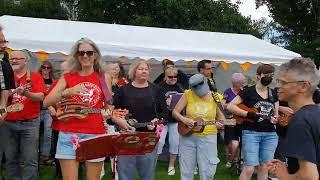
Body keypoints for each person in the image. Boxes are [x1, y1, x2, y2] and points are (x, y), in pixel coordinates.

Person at [43, 37, 130, 180]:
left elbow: (107, 108)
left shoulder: (103, 77)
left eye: (89, 53)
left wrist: (112, 114)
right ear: (76, 56)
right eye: (81, 53)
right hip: (68, 135)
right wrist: (68, 92)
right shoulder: (68, 77)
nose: (85, 56)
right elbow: (46, 103)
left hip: (95, 134)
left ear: (95, 55)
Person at [268, 58, 320, 179]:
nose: (277, 86)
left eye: (284, 82)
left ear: (304, 86)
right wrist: (289, 167)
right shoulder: (315, 113)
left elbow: (309, 177)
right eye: (278, 81)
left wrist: (283, 175)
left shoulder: (300, 120)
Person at [227, 64, 279, 180]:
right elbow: (230, 106)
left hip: (270, 134)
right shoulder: (248, 92)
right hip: (251, 133)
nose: (269, 78)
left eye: (271, 76)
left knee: (264, 166)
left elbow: (276, 113)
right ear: (258, 76)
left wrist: (275, 118)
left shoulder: (273, 93)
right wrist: (248, 114)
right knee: (249, 168)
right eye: (266, 75)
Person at [113, 60, 162, 180]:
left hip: (148, 137)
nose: (144, 71)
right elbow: (113, 113)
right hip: (127, 136)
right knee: (125, 173)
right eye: (141, 68)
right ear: (134, 71)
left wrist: (157, 120)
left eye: (146, 69)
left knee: (148, 173)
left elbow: (163, 112)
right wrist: (120, 121)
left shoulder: (156, 90)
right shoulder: (123, 90)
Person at [3, 50, 46, 180]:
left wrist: (26, 94)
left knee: (30, 159)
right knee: (11, 158)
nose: (14, 61)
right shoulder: (4, 76)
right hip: (8, 122)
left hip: (30, 122)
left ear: (26, 61)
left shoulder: (34, 76)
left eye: (18, 58)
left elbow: (40, 96)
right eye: (11, 58)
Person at [172, 73, 225, 180]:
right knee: (186, 170)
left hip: (208, 137)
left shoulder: (217, 97)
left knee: (207, 171)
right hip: (187, 136)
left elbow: (222, 119)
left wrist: (220, 124)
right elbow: (175, 112)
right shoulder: (187, 94)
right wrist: (184, 119)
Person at [157, 66, 184, 176]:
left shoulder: (179, 87)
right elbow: (154, 103)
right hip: (162, 120)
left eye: (175, 76)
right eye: (170, 76)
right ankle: (152, 163)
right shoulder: (159, 87)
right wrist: (164, 102)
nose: (173, 79)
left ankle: (171, 165)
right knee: (159, 142)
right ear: (165, 76)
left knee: (174, 142)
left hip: (174, 120)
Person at [0, 24, 15, 180]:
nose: (3, 45)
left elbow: (6, 90)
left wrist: (3, 109)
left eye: (4, 41)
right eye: (0, 42)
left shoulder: (5, 67)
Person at [223, 73, 246, 168]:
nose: (243, 84)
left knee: (241, 141)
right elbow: (223, 105)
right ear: (234, 83)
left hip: (242, 120)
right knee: (230, 141)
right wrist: (233, 107)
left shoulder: (245, 92)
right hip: (230, 120)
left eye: (243, 82)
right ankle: (229, 159)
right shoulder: (227, 92)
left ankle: (237, 160)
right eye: (241, 82)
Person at [38, 61, 55, 164]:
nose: (45, 69)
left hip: (48, 110)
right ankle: (36, 154)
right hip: (37, 109)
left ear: (51, 69)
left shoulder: (53, 81)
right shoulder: (37, 79)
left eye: (48, 68)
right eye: (43, 67)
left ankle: (45, 156)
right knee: (36, 133)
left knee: (48, 133)